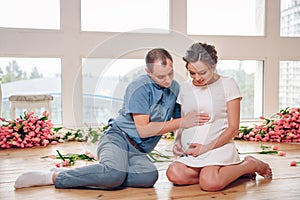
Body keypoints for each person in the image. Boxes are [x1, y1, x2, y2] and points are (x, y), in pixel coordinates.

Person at [14, 48, 210, 189]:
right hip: (117, 139)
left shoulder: (175, 88)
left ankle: (106, 173)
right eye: (160, 77)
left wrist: (179, 140)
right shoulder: (139, 88)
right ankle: (54, 177)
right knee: (114, 175)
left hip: (139, 150)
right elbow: (144, 129)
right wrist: (184, 122)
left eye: (170, 73)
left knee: (148, 177)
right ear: (148, 72)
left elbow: (177, 121)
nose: (167, 80)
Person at [166, 42, 272, 192]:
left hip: (218, 146)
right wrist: (177, 142)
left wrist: (205, 148)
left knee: (209, 183)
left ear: (214, 65)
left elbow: (233, 128)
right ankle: (227, 174)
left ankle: (250, 164)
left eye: (202, 72)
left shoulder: (228, 84)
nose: (197, 78)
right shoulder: (184, 88)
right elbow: (183, 122)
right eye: (192, 73)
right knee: (174, 174)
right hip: (192, 150)